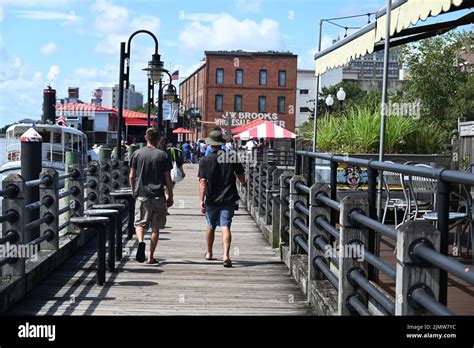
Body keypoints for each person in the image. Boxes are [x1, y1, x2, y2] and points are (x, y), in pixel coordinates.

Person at [198, 130, 247, 268]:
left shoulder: (204, 160)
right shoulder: (231, 156)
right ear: (221, 143)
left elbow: (203, 182)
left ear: (210, 144)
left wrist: (202, 200)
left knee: (210, 226)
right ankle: (226, 255)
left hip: (212, 198)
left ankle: (209, 253)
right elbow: (241, 174)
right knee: (225, 226)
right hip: (229, 197)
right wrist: (244, 184)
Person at [129, 128, 174, 264]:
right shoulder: (163, 155)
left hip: (142, 195)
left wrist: (134, 191)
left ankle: (141, 241)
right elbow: (168, 178)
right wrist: (170, 195)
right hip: (159, 196)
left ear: (145, 137)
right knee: (156, 227)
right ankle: (150, 257)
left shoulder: (137, 154)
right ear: (159, 138)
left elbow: (132, 175)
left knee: (139, 223)